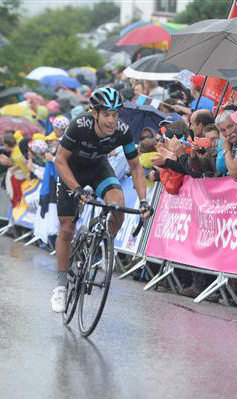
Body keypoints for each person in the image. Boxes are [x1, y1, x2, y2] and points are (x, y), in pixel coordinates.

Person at [51, 87, 153, 313]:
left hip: (98, 168)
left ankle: (102, 243)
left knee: (119, 205)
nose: (111, 120)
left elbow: (135, 166)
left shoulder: (123, 131)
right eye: (106, 114)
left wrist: (144, 201)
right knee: (67, 228)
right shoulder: (80, 125)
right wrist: (76, 189)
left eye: (115, 115)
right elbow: (59, 161)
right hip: (72, 170)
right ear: (94, 113)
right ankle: (60, 285)